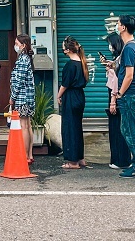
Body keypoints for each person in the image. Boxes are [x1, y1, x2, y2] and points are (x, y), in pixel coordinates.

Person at [115, 15, 135, 178]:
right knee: (127, 129)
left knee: (130, 130)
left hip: (129, 95)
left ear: (124, 27)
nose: (116, 26)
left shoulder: (129, 48)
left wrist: (120, 93)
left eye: (118, 24)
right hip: (133, 94)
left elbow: (129, 75)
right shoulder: (134, 46)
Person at [58, 36, 89, 169]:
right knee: (77, 127)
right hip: (80, 96)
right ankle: (80, 158)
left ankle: (72, 161)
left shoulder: (70, 65)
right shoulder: (82, 62)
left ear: (67, 50)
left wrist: (59, 96)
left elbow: (65, 84)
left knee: (69, 128)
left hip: (70, 96)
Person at [103, 32, 131, 170]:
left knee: (117, 130)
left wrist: (113, 102)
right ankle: (123, 159)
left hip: (116, 96)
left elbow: (115, 83)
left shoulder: (119, 61)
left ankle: (120, 160)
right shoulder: (118, 59)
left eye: (110, 44)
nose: (109, 47)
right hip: (119, 96)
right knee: (121, 129)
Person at [9, 34, 37, 164]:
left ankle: (25, 156)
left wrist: (12, 97)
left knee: (23, 126)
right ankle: (29, 154)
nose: (15, 46)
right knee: (28, 125)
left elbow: (18, 81)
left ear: (23, 45)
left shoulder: (22, 59)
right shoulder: (28, 59)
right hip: (29, 97)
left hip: (22, 98)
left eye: (16, 43)